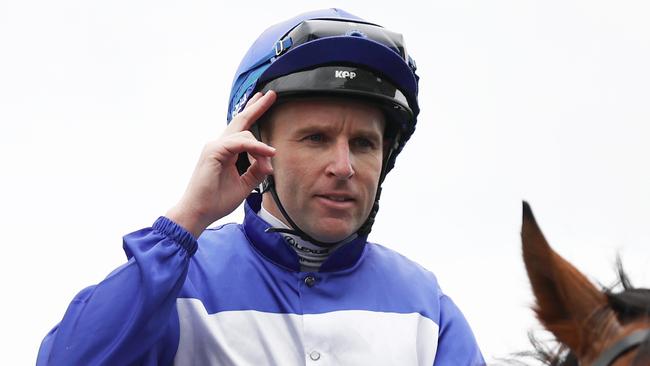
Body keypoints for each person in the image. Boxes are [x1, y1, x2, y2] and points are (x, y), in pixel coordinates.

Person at [37, 8, 485, 365]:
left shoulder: (428, 307)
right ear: (254, 147)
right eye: (316, 138)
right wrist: (188, 219)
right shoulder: (180, 282)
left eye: (364, 143)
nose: (344, 166)